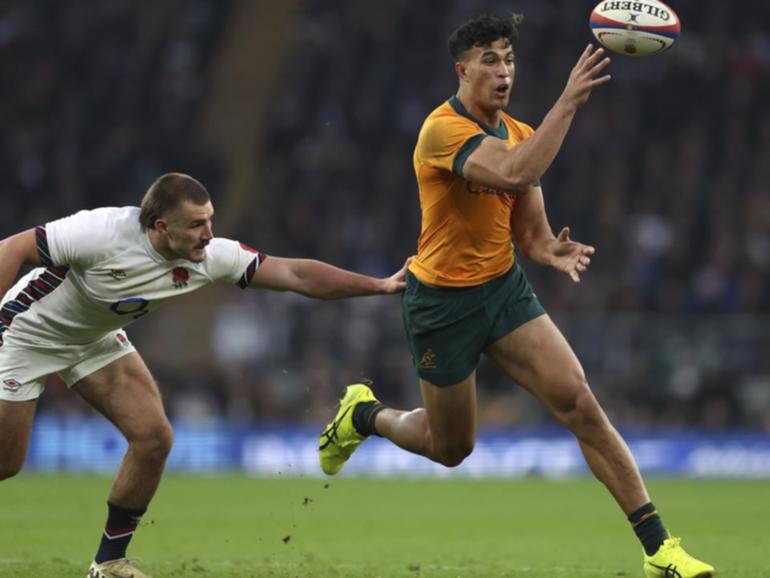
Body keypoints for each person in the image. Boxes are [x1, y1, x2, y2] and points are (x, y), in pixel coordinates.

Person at [318, 15, 714, 578]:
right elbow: (512, 173)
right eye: (489, 60)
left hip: (503, 293)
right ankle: (364, 414)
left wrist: (550, 250)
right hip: (441, 305)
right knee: (450, 448)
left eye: (508, 59)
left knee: (581, 404)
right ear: (463, 70)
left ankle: (659, 549)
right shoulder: (441, 131)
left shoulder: (522, 131)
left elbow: (528, 230)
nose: (503, 71)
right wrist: (570, 102)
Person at [0, 172, 408, 578]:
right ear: (161, 227)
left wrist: (378, 285)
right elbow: (11, 248)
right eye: (196, 224)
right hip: (25, 333)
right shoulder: (102, 232)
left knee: (154, 438)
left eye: (209, 220)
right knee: (7, 462)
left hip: (94, 340)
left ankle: (107, 564)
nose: (209, 234)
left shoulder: (211, 257)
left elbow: (295, 275)